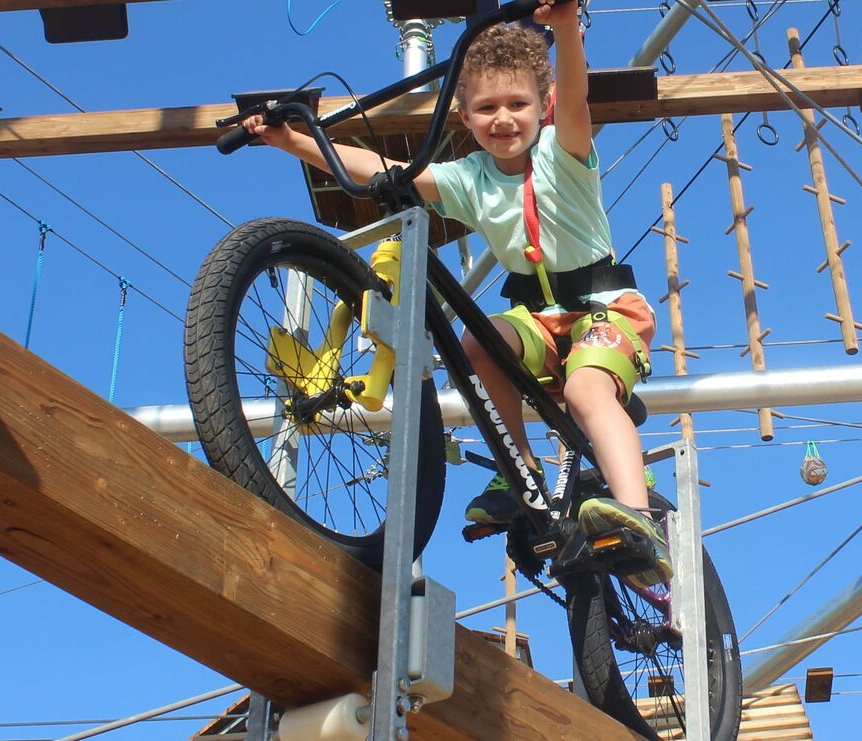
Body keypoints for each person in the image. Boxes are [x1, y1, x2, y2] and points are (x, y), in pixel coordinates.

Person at [240, 0, 671, 583]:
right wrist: (293, 142)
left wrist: (565, 28)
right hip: (536, 322)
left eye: (517, 105)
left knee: (587, 388)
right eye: (487, 108)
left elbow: (575, 94)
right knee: (475, 341)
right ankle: (520, 474)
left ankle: (636, 516)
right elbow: (384, 168)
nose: (503, 119)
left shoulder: (564, 152)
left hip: (603, 311)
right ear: (464, 117)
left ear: (541, 108)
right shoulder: (471, 178)